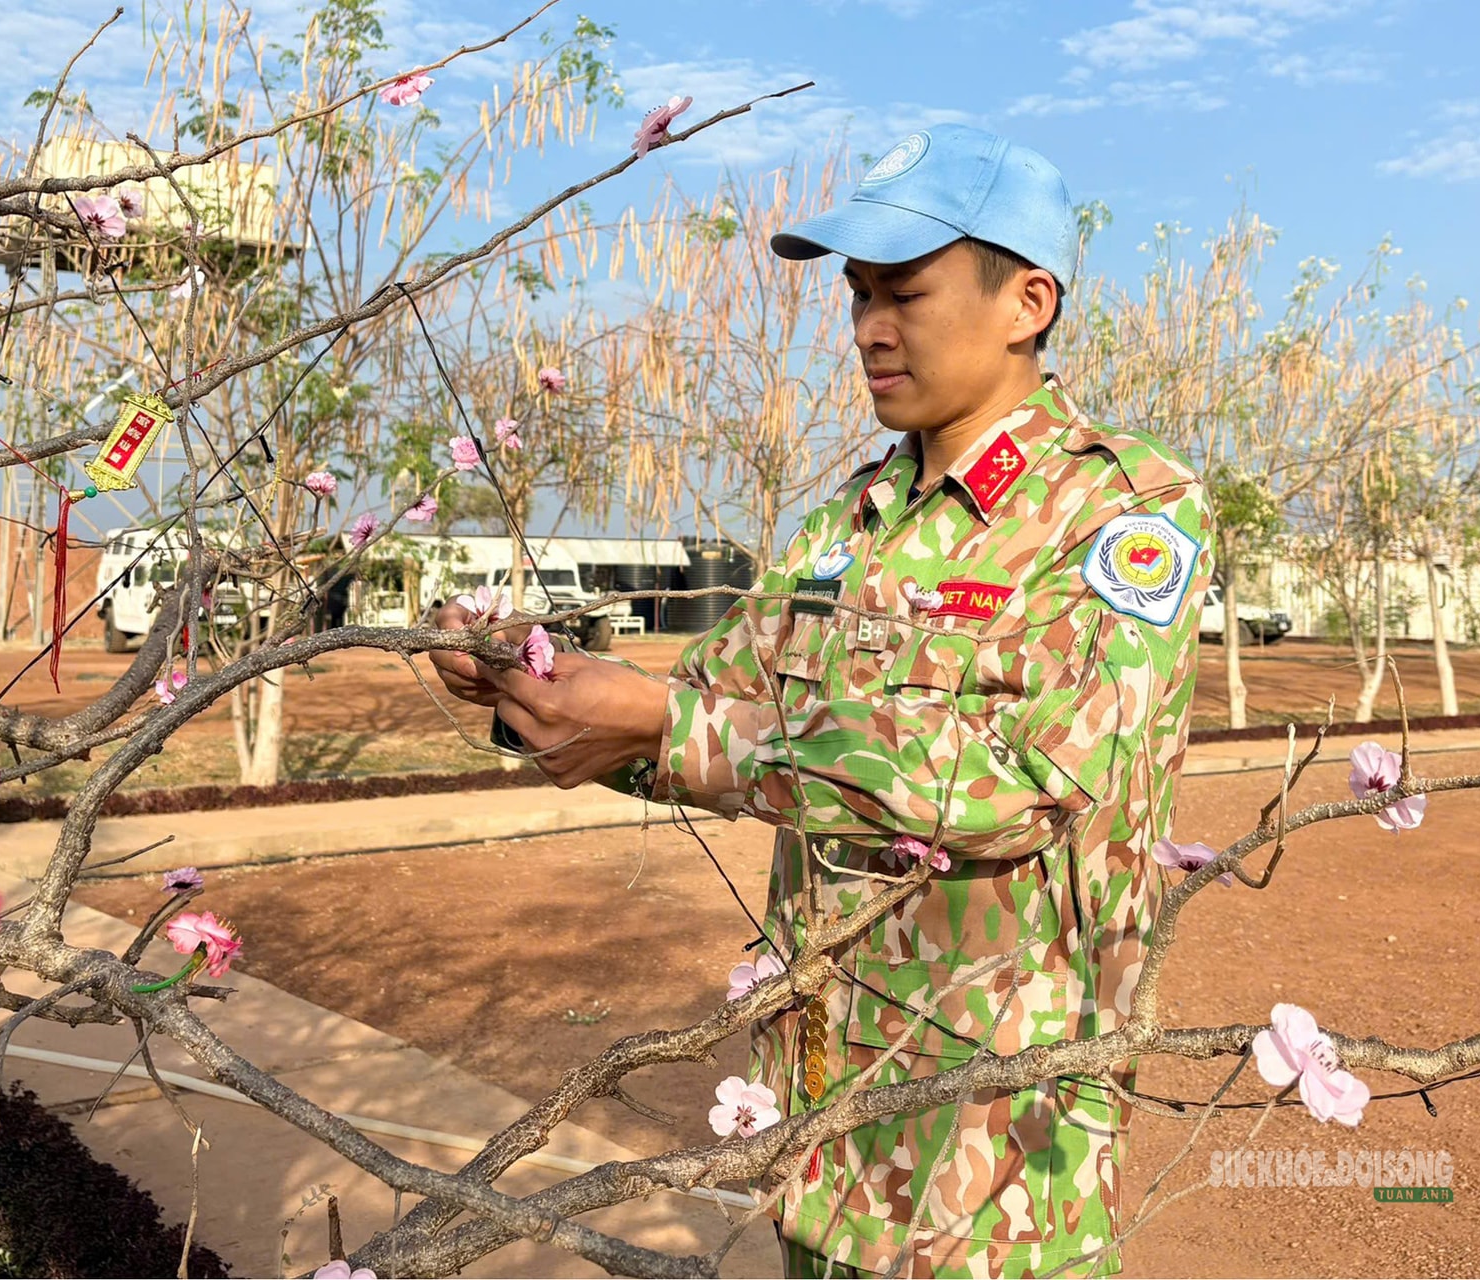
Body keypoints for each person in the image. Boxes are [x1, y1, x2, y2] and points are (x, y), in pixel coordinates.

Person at [428, 122, 1213, 1278]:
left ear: (1027, 301)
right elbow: (710, 718)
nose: (866, 329)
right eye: (856, 296)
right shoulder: (847, 522)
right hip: (826, 1131)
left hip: (995, 1174)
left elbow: (1024, 783)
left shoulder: (1127, 512)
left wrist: (673, 723)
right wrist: (535, 687)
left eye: (902, 292)